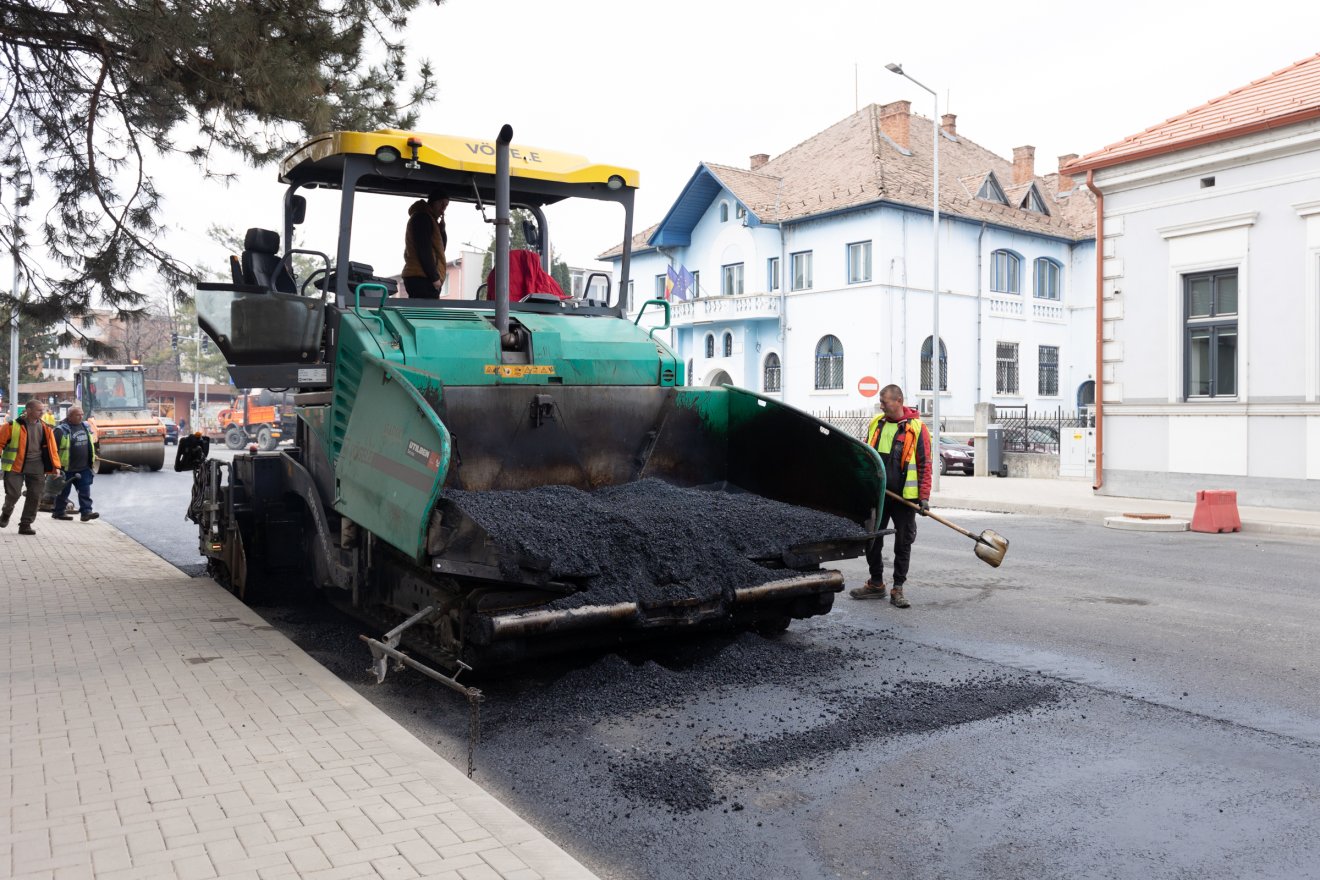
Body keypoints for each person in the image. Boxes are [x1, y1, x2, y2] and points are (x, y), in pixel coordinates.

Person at [849, 384, 931, 609]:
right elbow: (868, 455)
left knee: (903, 544)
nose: (881, 405)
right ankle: (876, 583)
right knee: (872, 538)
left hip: (906, 499)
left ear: (898, 401)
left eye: (884, 401)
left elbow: (925, 464)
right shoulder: (877, 423)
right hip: (880, 495)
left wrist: (923, 497)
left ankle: (898, 588)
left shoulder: (917, 428)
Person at [0, 397, 62, 535]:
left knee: (35, 495)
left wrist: (56, 466)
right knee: (13, 494)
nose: (42, 413)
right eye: (39, 410)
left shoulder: (46, 428)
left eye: (42, 410)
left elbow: (52, 449)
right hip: (15, 466)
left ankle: (25, 524)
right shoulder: (12, 426)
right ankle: (6, 512)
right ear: (28, 410)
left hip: (37, 466)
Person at [52, 403, 99, 523]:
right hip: (66, 468)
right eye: (78, 415)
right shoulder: (60, 430)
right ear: (70, 416)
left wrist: (92, 456)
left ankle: (86, 512)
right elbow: (53, 450)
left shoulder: (85, 426)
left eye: (82, 414)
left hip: (83, 467)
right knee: (63, 492)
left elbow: (89, 444)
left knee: (84, 491)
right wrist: (54, 468)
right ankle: (58, 512)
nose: (81, 417)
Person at [401, 189, 448, 298]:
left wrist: (442, 230)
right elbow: (424, 249)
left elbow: (440, 250)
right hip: (422, 277)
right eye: (442, 204)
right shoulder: (422, 218)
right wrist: (434, 278)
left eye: (445, 206)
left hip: (422, 276)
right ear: (434, 202)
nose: (443, 209)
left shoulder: (430, 219)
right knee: (427, 312)